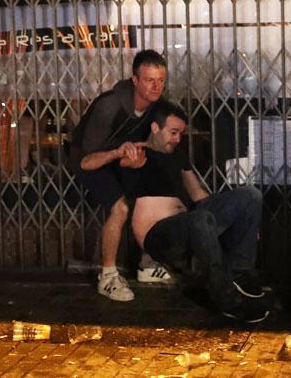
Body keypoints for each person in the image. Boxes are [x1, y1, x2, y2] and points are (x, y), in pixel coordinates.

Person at [88, 100, 270, 323]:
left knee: (250, 196)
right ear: (155, 128)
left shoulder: (178, 156)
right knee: (200, 220)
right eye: (173, 132)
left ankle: (241, 274)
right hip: (159, 237)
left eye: (180, 134)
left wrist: (243, 223)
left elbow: (198, 195)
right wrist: (116, 153)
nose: (177, 138)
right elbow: (87, 164)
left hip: (189, 223)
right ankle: (228, 301)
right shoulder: (137, 153)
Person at [69, 49, 171, 302]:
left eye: (161, 80)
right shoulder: (110, 105)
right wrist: (118, 154)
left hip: (118, 155)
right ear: (135, 80)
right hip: (90, 159)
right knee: (120, 207)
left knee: (153, 191)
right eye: (149, 80)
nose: (156, 86)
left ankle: (147, 264)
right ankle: (108, 276)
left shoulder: (155, 106)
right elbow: (86, 160)